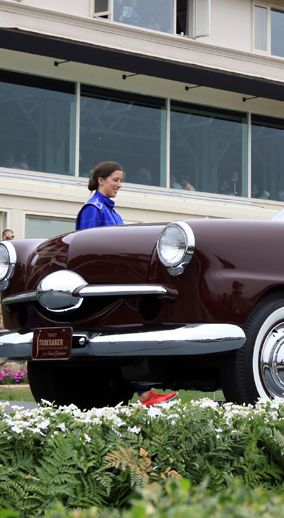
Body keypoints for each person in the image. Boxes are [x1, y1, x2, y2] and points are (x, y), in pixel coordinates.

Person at [76, 161, 175, 406]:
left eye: (121, 180)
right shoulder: (93, 208)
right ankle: (143, 393)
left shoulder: (111, 211)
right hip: (102, 288)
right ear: (100, 180)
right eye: (115, 180)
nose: (120, 185)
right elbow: (86, 252)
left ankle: (143, 392)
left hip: (116, 284)